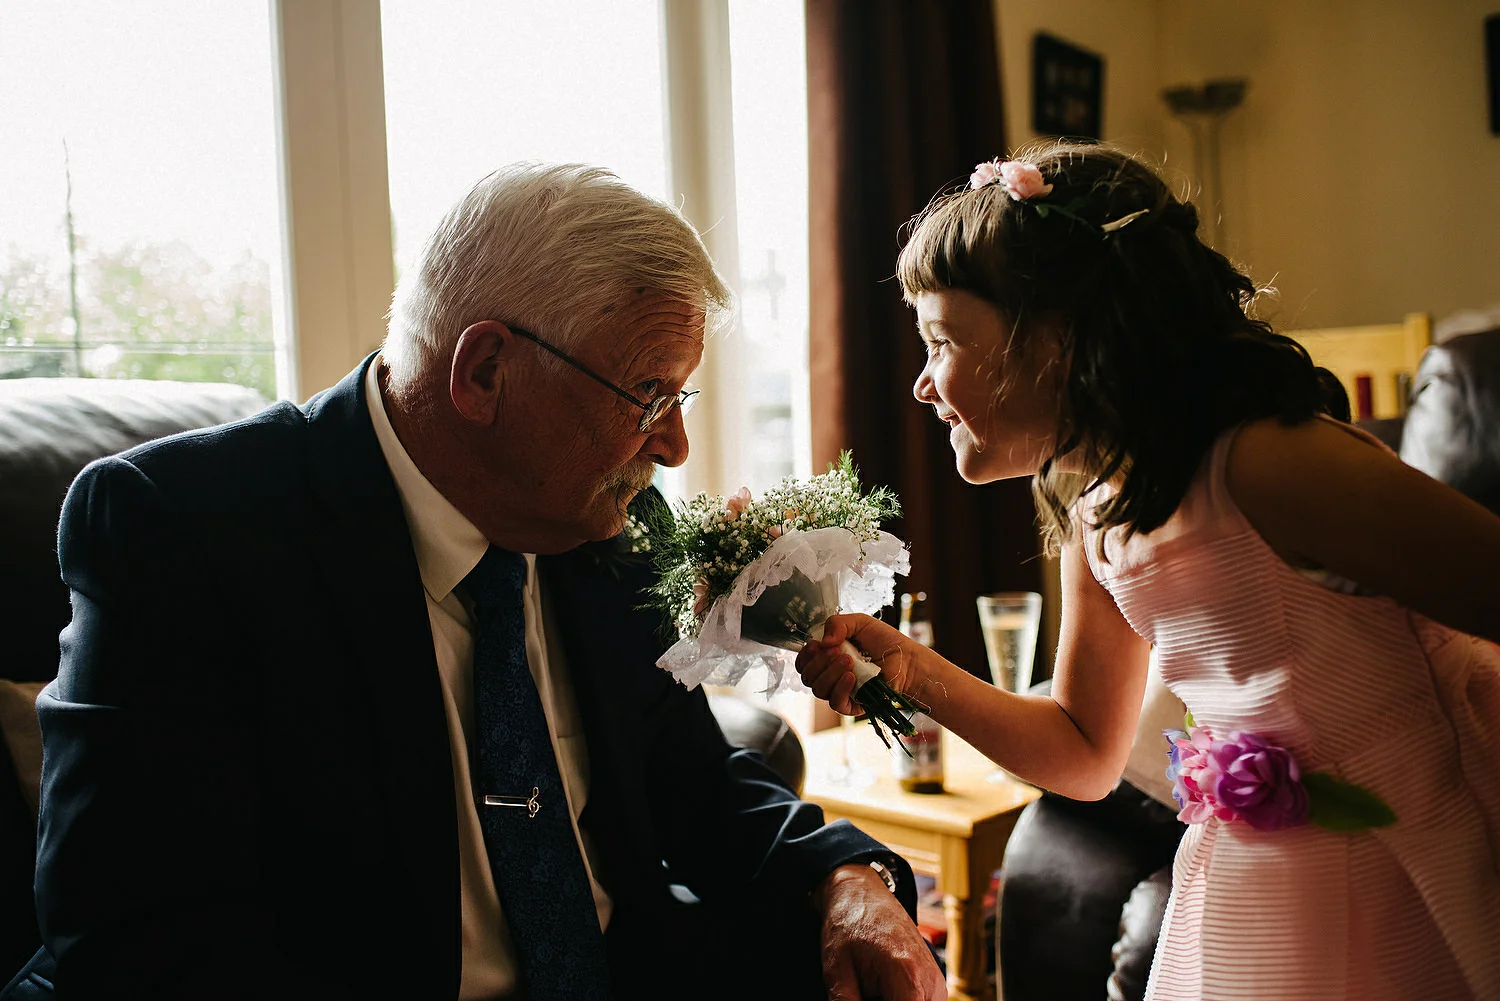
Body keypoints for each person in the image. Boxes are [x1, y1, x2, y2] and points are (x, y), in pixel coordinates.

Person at [23, 163, 946, 1001]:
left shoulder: (604, 528)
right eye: (649, 398)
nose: (674, 447)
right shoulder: (184, 531)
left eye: (681, 399)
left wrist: (843, 878)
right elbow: (137, 937)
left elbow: (694, 780)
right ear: (486, 370)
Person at [798, 142, 1500, 1000]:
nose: (919, 384)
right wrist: (910, 670)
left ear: (1055, 334)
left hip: (1408, 850)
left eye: (942, 340)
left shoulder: (1264, 461)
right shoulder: (1097, 502)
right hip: (1260, 866)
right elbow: (1087, 750)